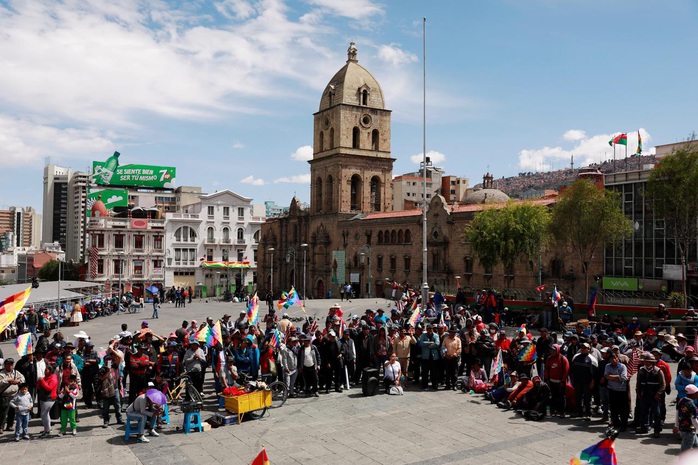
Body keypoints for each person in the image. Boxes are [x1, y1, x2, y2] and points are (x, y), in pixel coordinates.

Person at [635, 352, 666, 437]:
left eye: (649, 361)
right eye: (646, 361)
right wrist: (638, 393)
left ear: (653, 362)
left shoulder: (658, 371)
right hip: (644, 395)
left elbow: (663, 385)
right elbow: (638, 383)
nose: (647, 363)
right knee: (644, 412)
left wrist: (658, 394)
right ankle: (644, 428)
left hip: (654, 396)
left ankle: (657, 430)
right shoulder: (641, 370)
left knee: (657, 414)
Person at [605, 352, 629, 432]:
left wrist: (611, 376)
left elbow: (623, 378)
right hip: (612, 390)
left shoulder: (623, 366)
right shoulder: (608, 366)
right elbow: (606, 376)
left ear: (618, 359)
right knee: (613, 408)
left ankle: (624, 424)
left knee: (623, 409)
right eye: (611, 359)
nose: (613, 360)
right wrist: (617, 376)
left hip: (621, 391)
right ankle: (616, 423)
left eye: (614, 358)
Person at [0, 358, 26, 433]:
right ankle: (1, 427)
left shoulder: (15, 372)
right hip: (4, 396)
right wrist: (8, 380)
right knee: (3, 412)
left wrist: (18, 381)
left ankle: (10, 425)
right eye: (8, 364)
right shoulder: (1, 373)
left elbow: (23, 379)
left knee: (12, 411)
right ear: (5, 365)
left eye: (11, 364)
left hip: (14, 395)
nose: (10, 366)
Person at [674, 384, 698, 452]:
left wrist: (676, 425)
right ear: (693, 394)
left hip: (683, 429)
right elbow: (694, 420)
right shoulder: (692, 406)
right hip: (689, 431)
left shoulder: (681, 400)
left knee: (696, 445)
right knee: (685, 451)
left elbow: (677, 413)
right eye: (697, 393)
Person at [36, 364, 58, 437]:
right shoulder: (45, 377)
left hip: (49, 398)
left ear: (50, 371)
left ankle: (47, 430)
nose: (45, 371)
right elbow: (38, 386)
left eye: (47, 370)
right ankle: (47, 428)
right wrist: (40, 381)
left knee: (43, 414)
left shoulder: (53, 378)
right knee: (46, 414)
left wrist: (42, 380)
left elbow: (49, 388)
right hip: (43, 397)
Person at [419, 325, 440, 391]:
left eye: (431, 329)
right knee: (425, 372)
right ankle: (424, 385)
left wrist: (428, 346)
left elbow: (437, 344)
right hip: (425, 357)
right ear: (427, 329)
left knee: (434, 372)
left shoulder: (436, 335)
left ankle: (434, 385)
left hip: (434, 357)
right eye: (428, 329)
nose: (430, 330)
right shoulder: (423, 335)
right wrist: (430, 342)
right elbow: (421, 343)